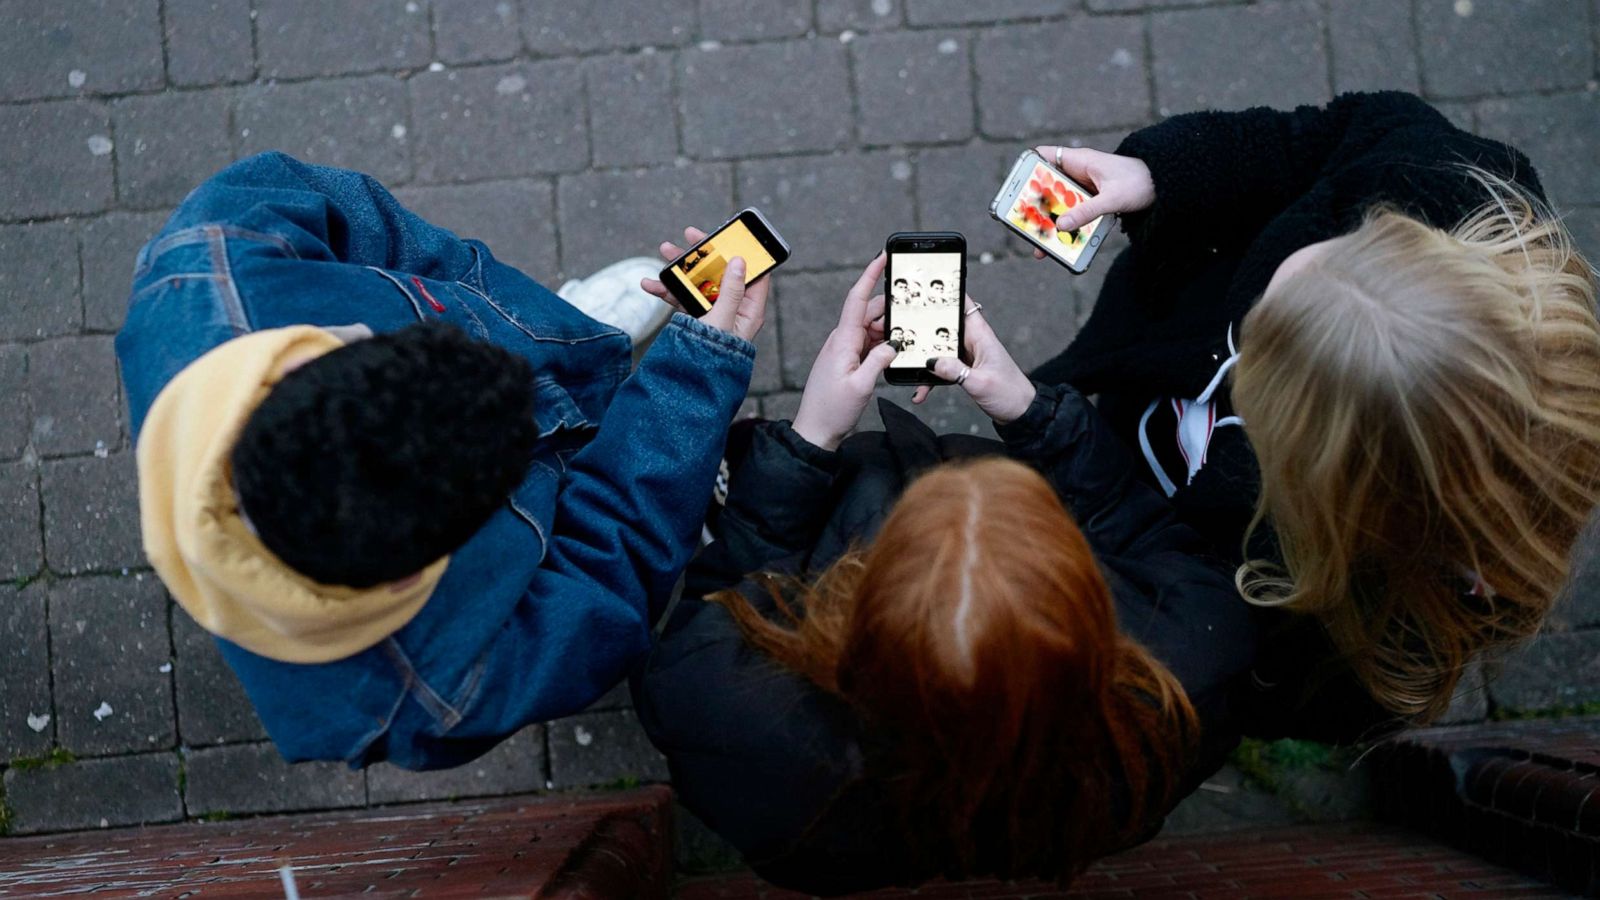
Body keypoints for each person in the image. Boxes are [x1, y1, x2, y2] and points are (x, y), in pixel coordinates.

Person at [118, 152, 766, 771]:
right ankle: (612, 393)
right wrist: (696, 375)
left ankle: (568, 333)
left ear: (307, 358)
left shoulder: (212, 259)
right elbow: (608, 569)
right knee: (618, 445)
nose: (523, 385)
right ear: (410, 580)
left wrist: (477, 296)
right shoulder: (430, 696)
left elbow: (361, 215)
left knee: (541, 340)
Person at [634, 253, 1256, 895]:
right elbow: (1142, 531)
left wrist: (808, 441)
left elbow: (721, 598)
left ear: (861, 597)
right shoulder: (1189, 682)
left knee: (750, 496)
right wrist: (1029, 411)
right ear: (1083, 588)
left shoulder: (737, 720)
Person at [1025, 91, 1600, 741]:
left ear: (1317, 476)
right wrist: (1165, 173)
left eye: (1265, 339)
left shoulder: (1337, 631)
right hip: (1134, 377)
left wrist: (1038, 426)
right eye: (1327, 241)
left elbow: (1180, 611)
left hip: (1126, 504)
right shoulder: (1451, 186)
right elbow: (1320, 140)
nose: (1249, 301)